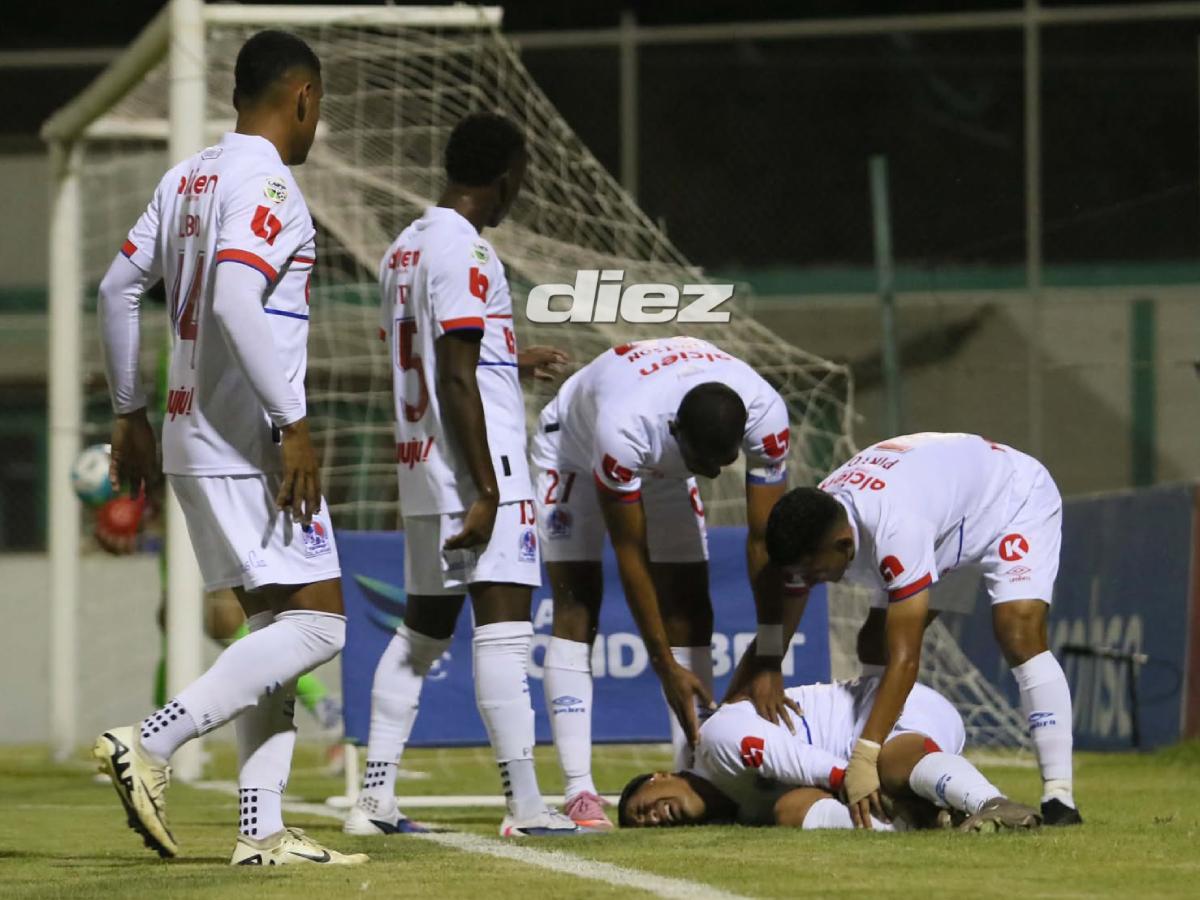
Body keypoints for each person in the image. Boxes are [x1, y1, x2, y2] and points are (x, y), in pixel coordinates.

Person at [92, 30, 366, 865]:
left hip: (184, 433)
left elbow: (115, 288)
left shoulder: (189, 177)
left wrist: (129, 411)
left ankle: (261, 830)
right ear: (303, 98)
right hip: (247, 443)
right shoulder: (271, 185)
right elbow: (240, 303)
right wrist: (295, 425)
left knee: (274, 633)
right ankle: (149, 740)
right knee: (322, 628)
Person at [344, 112, 577, 839]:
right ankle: (526, 806)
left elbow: (445, 353)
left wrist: (514, 360)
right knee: (505, 633)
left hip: (420, 465)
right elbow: (452, 373)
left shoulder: (403, 248)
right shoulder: (465, 250)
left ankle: (373, 798)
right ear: (507, 176)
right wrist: (488, 489)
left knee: (420, 635)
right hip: (478, 470)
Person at [530, 336, 795, 829]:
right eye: (705, 462)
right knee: (577, 603)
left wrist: (771, 654)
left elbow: (765, 542)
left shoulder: (765, 413)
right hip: (572, 447)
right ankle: (579, 790)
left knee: (692, 607)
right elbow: (631, 555)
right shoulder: (625, 429)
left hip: (665, 467)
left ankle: (695, 771)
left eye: (725, 461)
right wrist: (662, 663)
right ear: (676, 431)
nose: (715, 474)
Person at [762, 432, 1081, 827]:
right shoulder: (819, 517)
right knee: (873, 643)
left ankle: (1059, 797)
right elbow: (788, 599)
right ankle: (895, 762)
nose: (810, 582)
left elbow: (907, 658)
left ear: (844, 545)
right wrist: (767, 664)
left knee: (1017, 633)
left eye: (816, 571)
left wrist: (864, 755)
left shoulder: (896, 528)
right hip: (949, 521)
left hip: (1010, 499)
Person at [618, 677, 1040, 833]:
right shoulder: (742, 813)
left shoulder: (716, 741)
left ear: (660, 775)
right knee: (788, 811)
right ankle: (924, 824)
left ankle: (992, 804)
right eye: (643, 824)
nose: (651, 817)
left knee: (888, 768)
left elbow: (812, 765)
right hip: (866, 750)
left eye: (641, 808)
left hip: (892, 706)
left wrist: (855, 782)